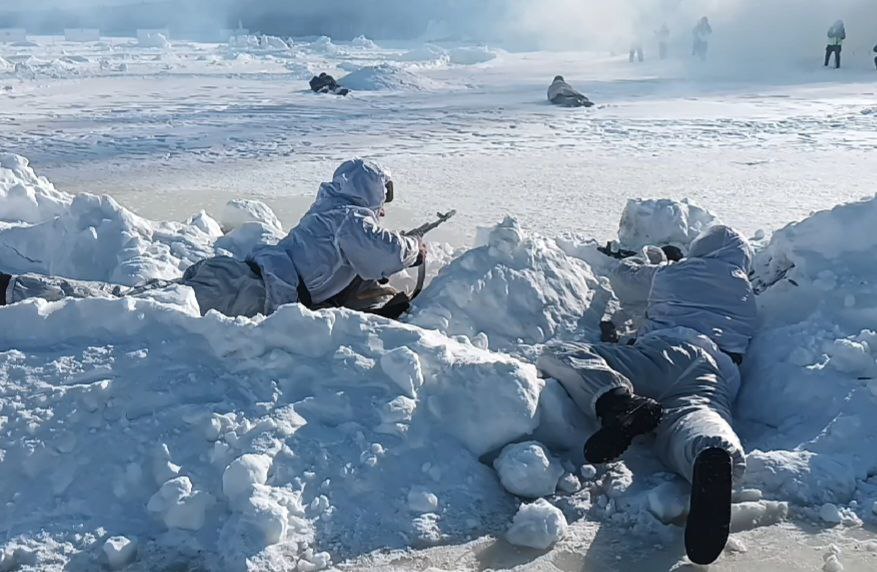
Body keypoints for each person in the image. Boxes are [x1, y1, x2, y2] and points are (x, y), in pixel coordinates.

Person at [538, 225, 757, 565]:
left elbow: (623, 279)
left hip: (662, 352)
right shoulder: (747, 297)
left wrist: (650, 258)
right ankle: (710, 452)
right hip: (715, 369)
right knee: (697, 415)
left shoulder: (675, 274)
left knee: (563, 353)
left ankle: (617, 402)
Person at [0, 159, 424, 320]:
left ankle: (18, 288)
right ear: (370, 195)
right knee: (124, 306)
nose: (384, 208)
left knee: (130, 297)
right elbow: (376, 254)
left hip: (236, 275)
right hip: (243, 291)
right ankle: (20, 292)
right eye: (383, 199)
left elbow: (362, 253)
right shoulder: (351, 220)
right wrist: (415, 248)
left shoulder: (329, 211)